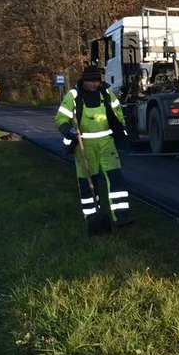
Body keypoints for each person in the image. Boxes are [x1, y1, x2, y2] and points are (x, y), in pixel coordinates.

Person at [55, 65, 133, 231]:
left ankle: (121, 216)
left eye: (97, 81)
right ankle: (91, 217)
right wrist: (67, 130)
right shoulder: (73, 95)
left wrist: (122, 133)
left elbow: (118, 113)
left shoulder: (106, 93)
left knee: (116, 180)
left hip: (107, 143)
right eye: (92, 81)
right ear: (84, 80)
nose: (95, 84)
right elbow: (61, 117)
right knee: (87, 184)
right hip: (85, 145)